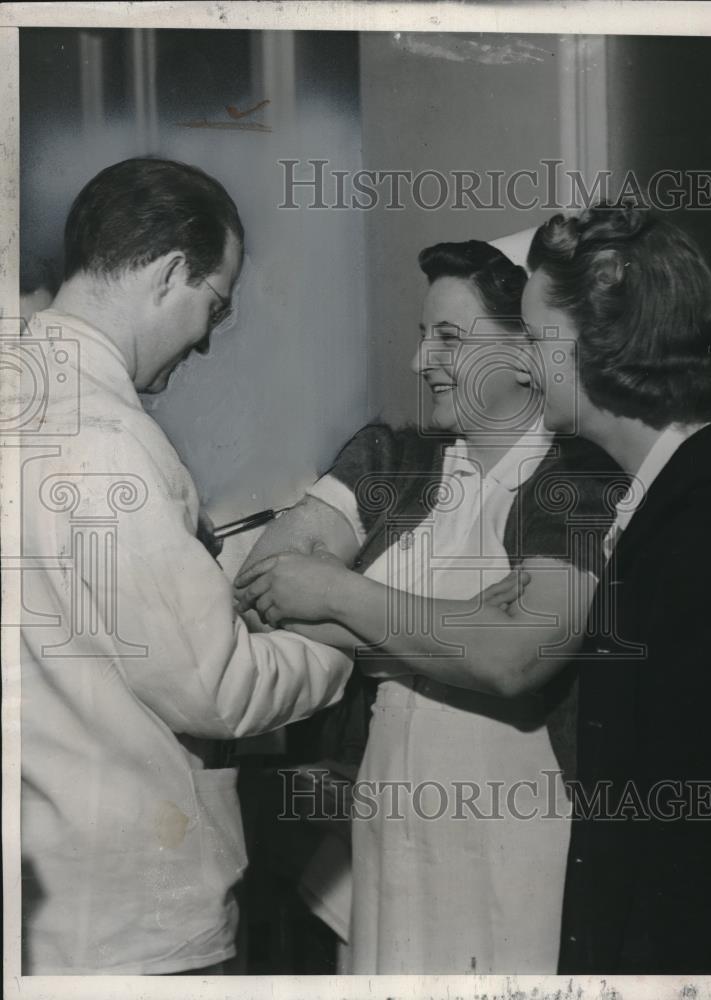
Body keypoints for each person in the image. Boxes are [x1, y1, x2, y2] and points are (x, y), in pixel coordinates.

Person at [235, 237, 625, 973]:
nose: (421, 362)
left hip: (519, 833)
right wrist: (462, 631)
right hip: (387, 817)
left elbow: (514, 661)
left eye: (449, 337)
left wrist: (340, 592)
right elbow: (261, 589)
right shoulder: (390, 461)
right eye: (423, 336)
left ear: (526, 351)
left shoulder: (578, 480)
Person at [18, 157, 353, 975]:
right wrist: (345, 634)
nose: (205, 339)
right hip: (137, 931)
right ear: (171, 272)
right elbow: (219, 688)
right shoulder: (110, 442)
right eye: (214, 306)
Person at [519, 204, 711, 973]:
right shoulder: (682, 493)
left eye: (533, 338)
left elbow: (702, 848)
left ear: (597, 342)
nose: (522, 365)